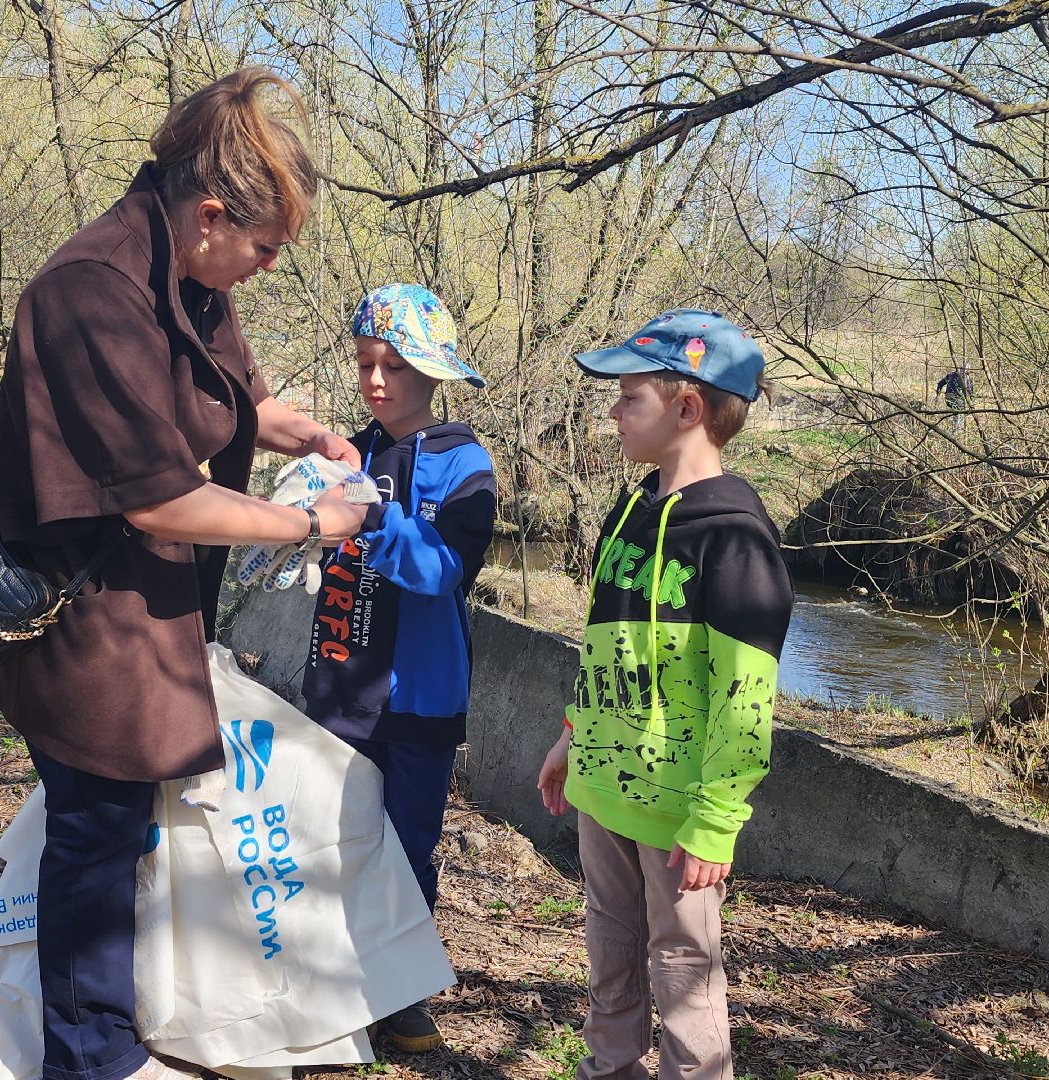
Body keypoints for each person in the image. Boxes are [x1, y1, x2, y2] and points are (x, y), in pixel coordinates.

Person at [0, 69, 370, 1080]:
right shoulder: (89, 292)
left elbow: (218, 400)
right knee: (95, 826)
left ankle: (100, 1025)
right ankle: (84, 1052)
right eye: (268, 248)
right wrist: (308, 519)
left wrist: (295, 427)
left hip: (152, 600)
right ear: (213, 214)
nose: (269, 268)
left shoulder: (190, 272)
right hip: (85, 610)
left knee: (120, 818)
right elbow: (157, 496)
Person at [536, 310, 794, 1080]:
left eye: (627, 397)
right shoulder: (629, 513)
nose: (612, 413)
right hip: (602, 789)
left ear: (687, 409)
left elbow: (747, 696)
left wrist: (716, 819)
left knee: (684, 974)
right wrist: (571, 735)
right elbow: (609, 641)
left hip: (678, 810)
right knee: (610, 959)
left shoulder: (737, 540)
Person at [300, 283, 497, 1053]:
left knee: (407, 845)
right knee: (336, 838)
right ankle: (331, 984)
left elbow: (443, 569)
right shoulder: (353, 450)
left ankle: (403, 991)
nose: (377, 381)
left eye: (395, 366)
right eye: (365, 364)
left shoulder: (464, 463)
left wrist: (374, 514)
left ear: (433, 373)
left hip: (418, 697)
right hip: (342, 683)